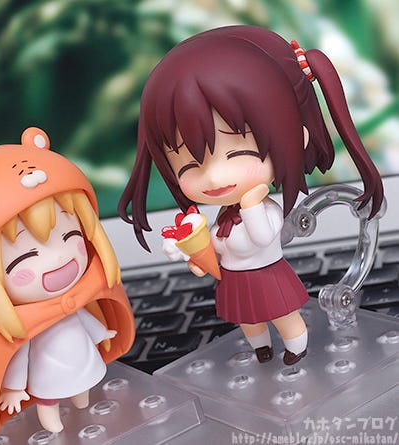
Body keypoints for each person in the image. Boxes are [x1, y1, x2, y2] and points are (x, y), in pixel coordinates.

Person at [118, 25, 383, 366]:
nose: (214, 177)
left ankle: (296, 346)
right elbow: (215, 246)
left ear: (295, 136)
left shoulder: (261, 209)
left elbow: (263, 237)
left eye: (236, 153)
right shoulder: (222, 216)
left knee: (281, 313)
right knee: (247, 318)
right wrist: (193, 253)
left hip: (267, 274)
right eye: (190, 165)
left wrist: (253, 207)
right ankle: (261, 347)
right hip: (234, 279)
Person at [0, 127, 135, 433]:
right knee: (49, 396)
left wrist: (101, 332)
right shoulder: (18, 327)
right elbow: (20, 355)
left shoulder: (79, 301)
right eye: (25, 258)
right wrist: (14, 388)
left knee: (83, 383)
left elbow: (86, 321)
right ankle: (52, 421)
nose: (58, 259)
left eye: (70, 236)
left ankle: (81, 400)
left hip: (82, 357)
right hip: (46, 373)